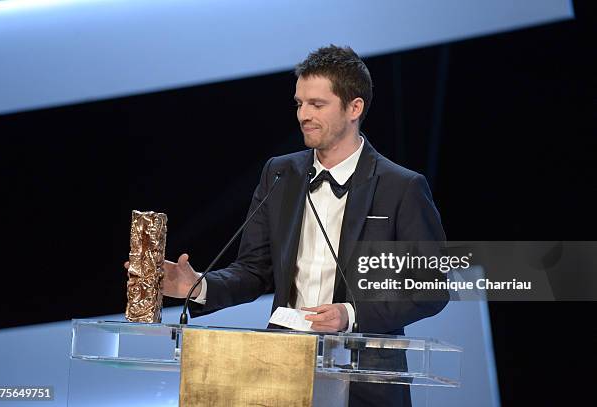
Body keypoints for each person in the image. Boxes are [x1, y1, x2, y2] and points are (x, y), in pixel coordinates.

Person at [129, 45, 447, 406]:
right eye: (299, 103)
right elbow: (254, 270)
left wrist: (350, 314)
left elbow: (430, 287)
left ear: (354, 108)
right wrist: (197, 286)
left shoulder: (401, 187)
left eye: (317, 104)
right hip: (281, 370)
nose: (303, 115)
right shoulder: (279, 174)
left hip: (366, 380)